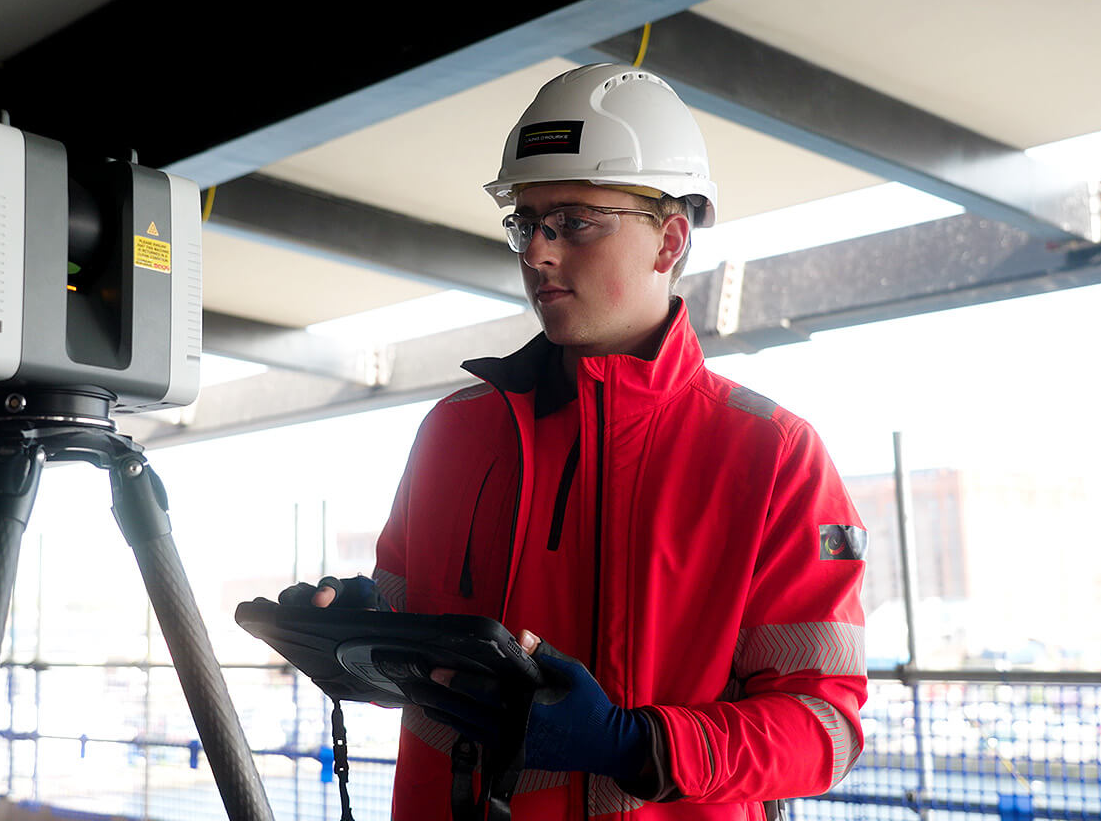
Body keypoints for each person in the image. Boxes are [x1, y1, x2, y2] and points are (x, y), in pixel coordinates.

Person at [298, 63, 867, 821]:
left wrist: (636, 746)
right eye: (525, 224)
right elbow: (427, 672)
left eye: (573, 222)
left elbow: (825, 727)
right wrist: (363, 635)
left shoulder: (772, 457)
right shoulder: (452, 436)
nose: (536, 253)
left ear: (669, 241)